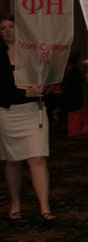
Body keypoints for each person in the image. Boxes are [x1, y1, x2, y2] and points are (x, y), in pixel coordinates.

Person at [0, 14, 55, 221]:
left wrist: (44, 85)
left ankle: (44, 206)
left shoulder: (32, 51)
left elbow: (48, 75)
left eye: (11, 26)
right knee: (13, 161)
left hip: (34, 111)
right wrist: (25, 93)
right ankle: (15, 202)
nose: (7, 31)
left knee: (38, 158)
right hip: (8, 113)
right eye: (3, 28)